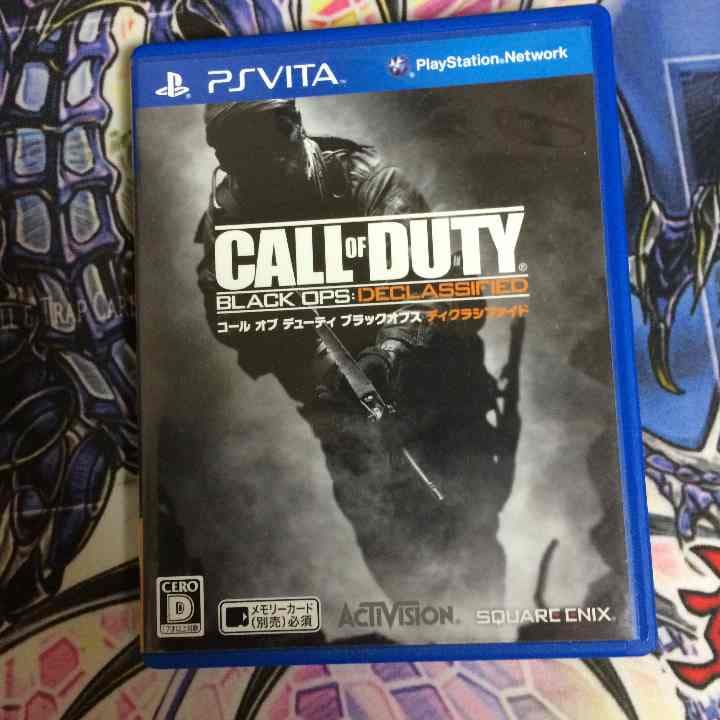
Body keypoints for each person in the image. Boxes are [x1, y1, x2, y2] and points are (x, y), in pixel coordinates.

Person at [194, 99, 522, 608]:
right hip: (346, 423)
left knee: (470, 542)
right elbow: (231, 323)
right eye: (242, 161)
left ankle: (483, 630)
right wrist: (319, 364)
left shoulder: (372, 186)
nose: (261, 175)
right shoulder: (228, 223)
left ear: (292, 127)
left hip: (440, 404)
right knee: (393, 557)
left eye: (266, 153)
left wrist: (390, 351)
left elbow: (443, 289)